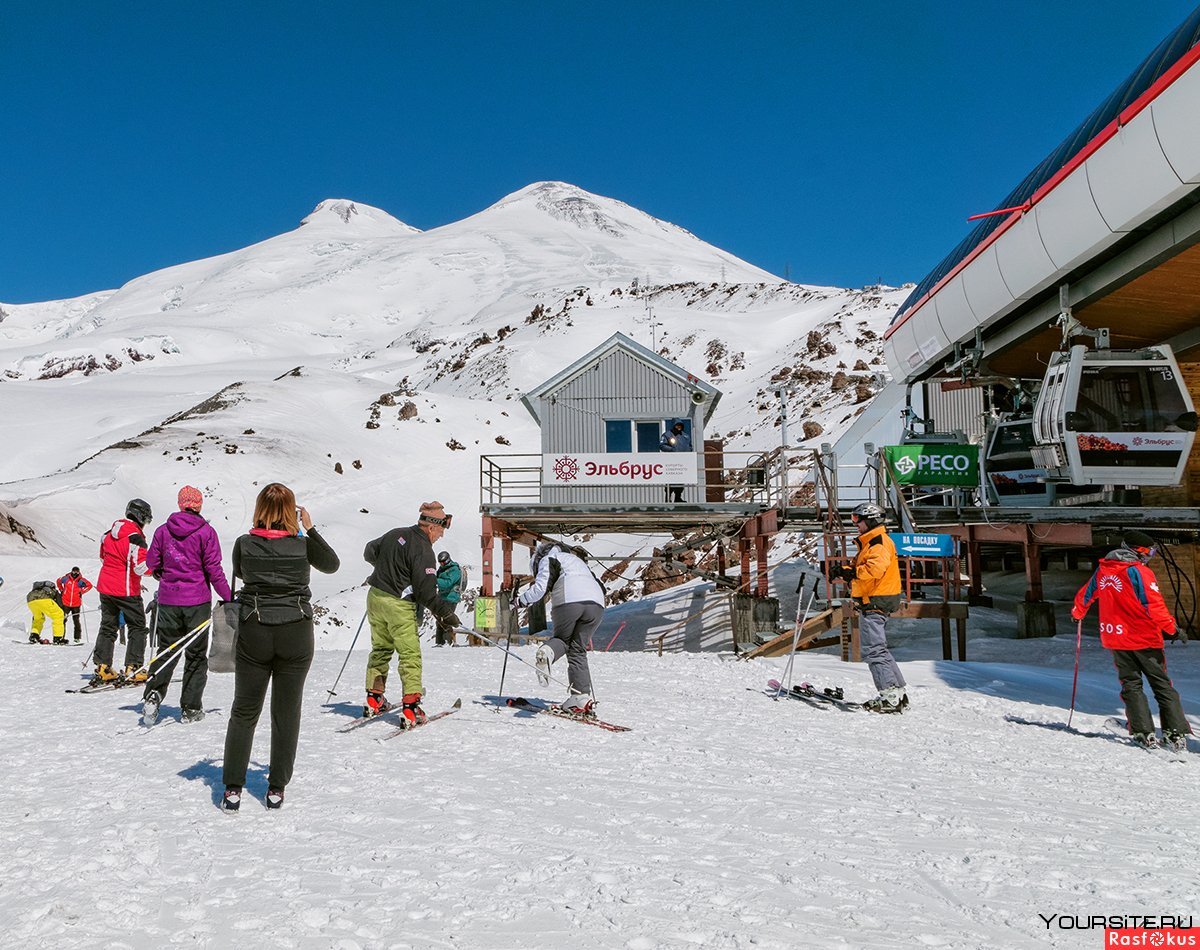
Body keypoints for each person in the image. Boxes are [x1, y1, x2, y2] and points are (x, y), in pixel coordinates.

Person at [221, 483, 339, 811]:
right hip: (296, 632)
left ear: (259, 509)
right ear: (292, 512)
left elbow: (241, 573)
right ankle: (276, 788)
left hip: (255, 629)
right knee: (286, 712)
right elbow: (331, 564)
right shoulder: (302, 545)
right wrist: (309, 528)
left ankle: (233, 788)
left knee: (244, 710)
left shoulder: (244, 544)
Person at [1072, 531, 1191, 752]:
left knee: (1131, 684)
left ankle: (1142, 732)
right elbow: (1153, 606)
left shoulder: (1104, 569)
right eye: (1149, 552)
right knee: (1162, 685)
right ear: (1137, 551)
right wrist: (1172, 629)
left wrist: (1078, 612)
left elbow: (1086, 595)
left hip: (1116, 637)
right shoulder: (1139, 572)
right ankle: (1174, 733)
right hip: (1144, 639)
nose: (1150, 556)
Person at [362, 501, 462, 725]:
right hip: (398, 605)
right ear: (431, 527)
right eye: (441, 530)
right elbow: (426, 593)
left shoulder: (396, 533)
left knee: (380, 648)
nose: (441, 536)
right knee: (409, 655)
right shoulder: (424, 551)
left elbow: (369, 551)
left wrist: (387, 566)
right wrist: (446, 614)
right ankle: (411, 708)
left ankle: (374, 699)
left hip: (375, 597)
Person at [141, 486, 233, 726]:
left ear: (180, 504)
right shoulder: (206, 532)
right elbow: (214, 569)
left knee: (167, 650)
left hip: (169, 601)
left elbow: (151, 562)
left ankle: (154, 694)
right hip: (197, 602)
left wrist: (162, 570)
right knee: (195, 656)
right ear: (199, 505)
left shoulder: (163, 531)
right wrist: (228, 597)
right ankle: (191, 709)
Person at [831, 502, 908, 713]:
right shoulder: (870, 543)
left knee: (873, 650)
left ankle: (890, 696)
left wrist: (851, 574)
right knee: (879, 648)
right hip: (875, 598)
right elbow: (862, 567)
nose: (854, 523)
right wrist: (843, 570)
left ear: (871, 520)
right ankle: (898, 693)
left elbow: (874, 569)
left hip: (876, 600)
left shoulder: (878, 542)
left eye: (858, 519)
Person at [517, 541, 606, 715]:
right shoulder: (578, 562)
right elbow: (601, 586)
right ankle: (580, 697)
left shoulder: (549, 558)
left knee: (562, 639)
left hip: (568, 600)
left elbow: (540, 588)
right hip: (596, 604)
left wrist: (520, 601)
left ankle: (548, 653)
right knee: (578, 649)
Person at [93, 498, 154, 684]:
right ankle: (134, 667)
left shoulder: (107, 534)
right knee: (137, 627)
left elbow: (103, 558)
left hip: (105, 587)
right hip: (127, 590)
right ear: (140, 517)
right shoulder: (136, 538)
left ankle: (103, 667)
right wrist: (157, 570)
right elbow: (140, 567)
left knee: (108, 626)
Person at [56, 567, 94, 643]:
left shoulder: (81, 580)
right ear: (71, 571)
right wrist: (61, 589)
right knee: (63, 620)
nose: (75, 574)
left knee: (76, 621)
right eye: (74, 572)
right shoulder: (66, 578)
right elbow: (58, 581)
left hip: (76, 604)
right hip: (66, 603)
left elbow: (89, 585)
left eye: (76, 572)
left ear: (79, 572)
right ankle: (61, 637)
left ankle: (77, 637)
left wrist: (82, 591)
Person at [658, 420, 692, 503]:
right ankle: (667, 498)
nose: (679, 427)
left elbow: (690, 446)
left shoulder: (685, 436)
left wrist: (689, 450)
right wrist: (672, 450)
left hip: (682, 462)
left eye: (680, 426)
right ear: (674, 425)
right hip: (671, 462)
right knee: (670, 480)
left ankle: (678, 497)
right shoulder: (667, 435)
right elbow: (662, 446)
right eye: (677, 425)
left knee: (680, 481)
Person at [434, 551, 463, 646]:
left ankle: (448, 641)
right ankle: (440, 642)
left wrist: (434, 580)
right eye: (440, 562)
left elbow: (448, 584)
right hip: (442, 597)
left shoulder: (454, 570)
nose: (442, 564)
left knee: (447, 619)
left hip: (451, 597)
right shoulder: (441, 570)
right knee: (439, 619)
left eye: (444, 562)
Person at [26, 580, 65, 644]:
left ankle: (34, 636)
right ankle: (58, 638)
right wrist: (63, 611)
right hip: (44, 599)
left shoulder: (36, 589)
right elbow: (59, 602)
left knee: (38, 618)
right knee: (58, 615)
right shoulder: (53, 590)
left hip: (30, 600)